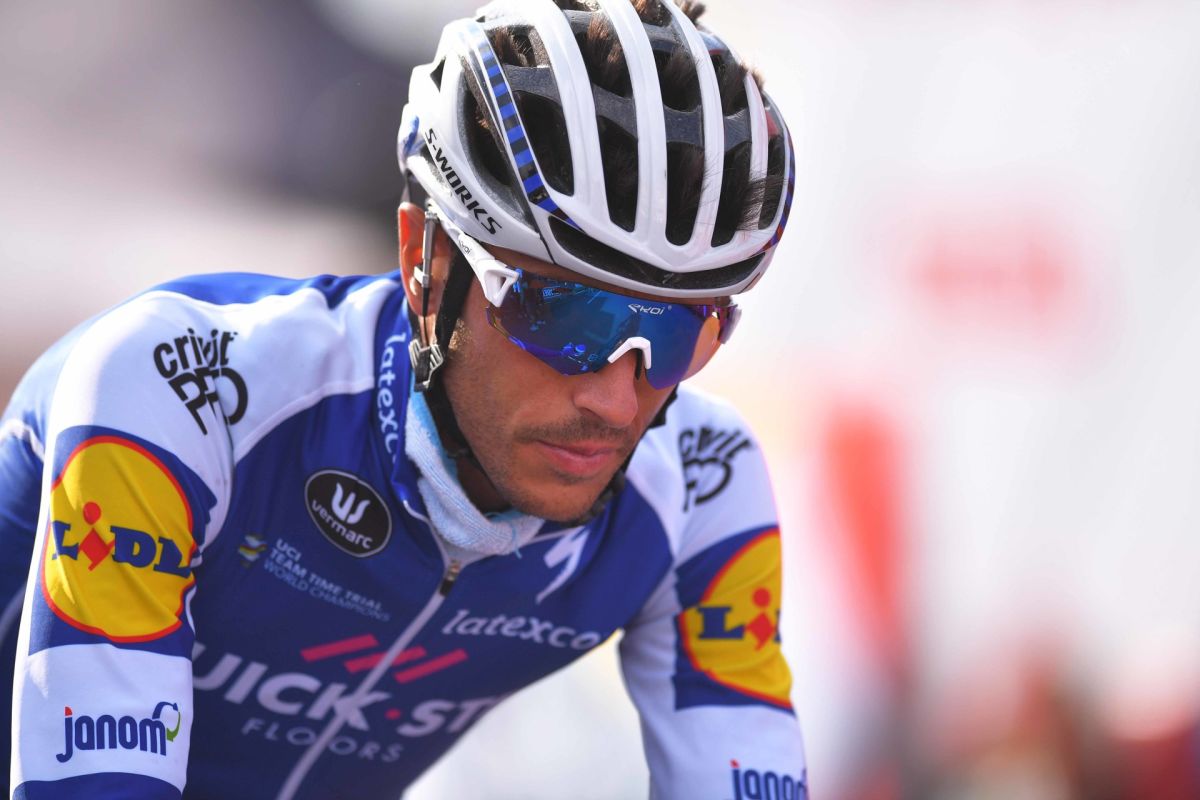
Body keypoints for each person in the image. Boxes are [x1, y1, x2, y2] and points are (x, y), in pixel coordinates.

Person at [0, 0, 805, 797]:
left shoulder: (700, 488)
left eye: (680, 334)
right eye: (564, 316)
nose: (615, 401)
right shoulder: (186, 394)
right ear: (426, 259)